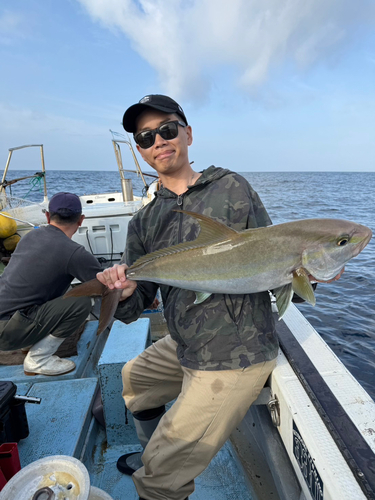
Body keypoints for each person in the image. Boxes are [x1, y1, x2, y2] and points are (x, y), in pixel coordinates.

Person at [95, 95, 278, 500]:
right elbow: (136, 300)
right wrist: (123, 291)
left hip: (237, 351)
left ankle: (162, 473)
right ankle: (156, 454)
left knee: (158, 481)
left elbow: (277, 257)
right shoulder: (145, 219)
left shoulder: (233, 188)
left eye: (167, 129)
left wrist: (310, 274)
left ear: (188, 133)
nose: (158, 141)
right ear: (140, 151)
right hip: (187, 342)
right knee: (134, 380)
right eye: (145, 137)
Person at [0, 192, 102, 376]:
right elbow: (106, 284)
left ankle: (30, 342)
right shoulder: (74, 253)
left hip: (7, 320)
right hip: (7, 333)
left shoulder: (29, 237)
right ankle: (38, 359)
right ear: (81, 220)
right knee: (82, 302)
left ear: (47, 216)